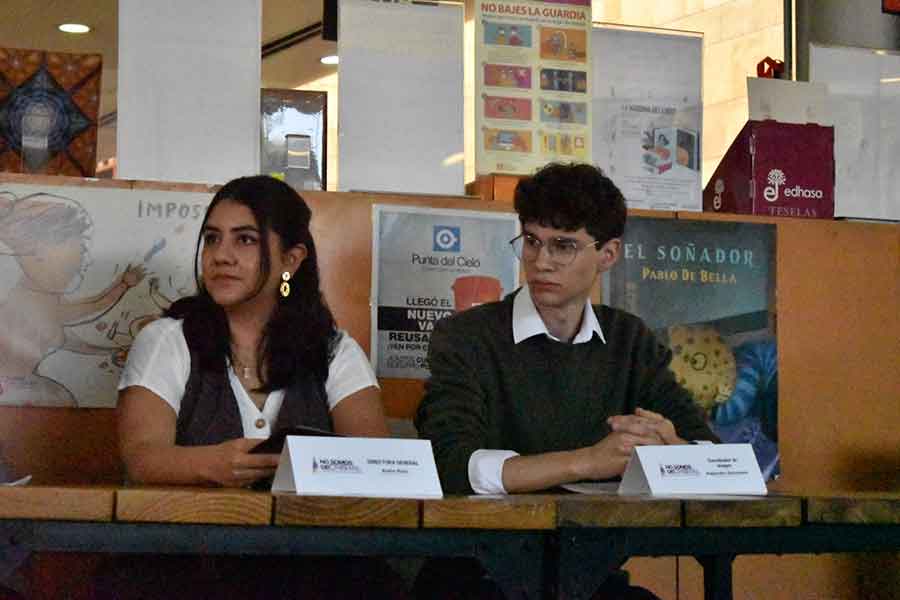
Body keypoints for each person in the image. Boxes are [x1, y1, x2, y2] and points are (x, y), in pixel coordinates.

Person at [413, 162, 716, 599]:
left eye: (563, 246)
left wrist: (671, 450)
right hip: (476, 577)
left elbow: (717, 457)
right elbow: (449, 466)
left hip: (586, 579)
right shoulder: (466, 338)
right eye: (532, 241)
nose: (541, 261)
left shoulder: (630, 341)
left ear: (607, 255)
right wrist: (586, 462)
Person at [102, 175, 404, 599]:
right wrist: (213, 465)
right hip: (185, 564)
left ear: (291, 260)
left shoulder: (334, 349)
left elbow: (378, 464)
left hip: (313, 567)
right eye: (212, 239)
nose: (221, 256)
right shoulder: (168, 340)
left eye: (245, 240)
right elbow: (142, 458)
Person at [0, 191, 146, 406]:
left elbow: (71, 340)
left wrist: (111, 350)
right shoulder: (30, 303)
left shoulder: (43, 301)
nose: (81, 266)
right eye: (70, 267)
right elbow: (92, 306)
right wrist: (123, 285)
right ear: (38, 256)